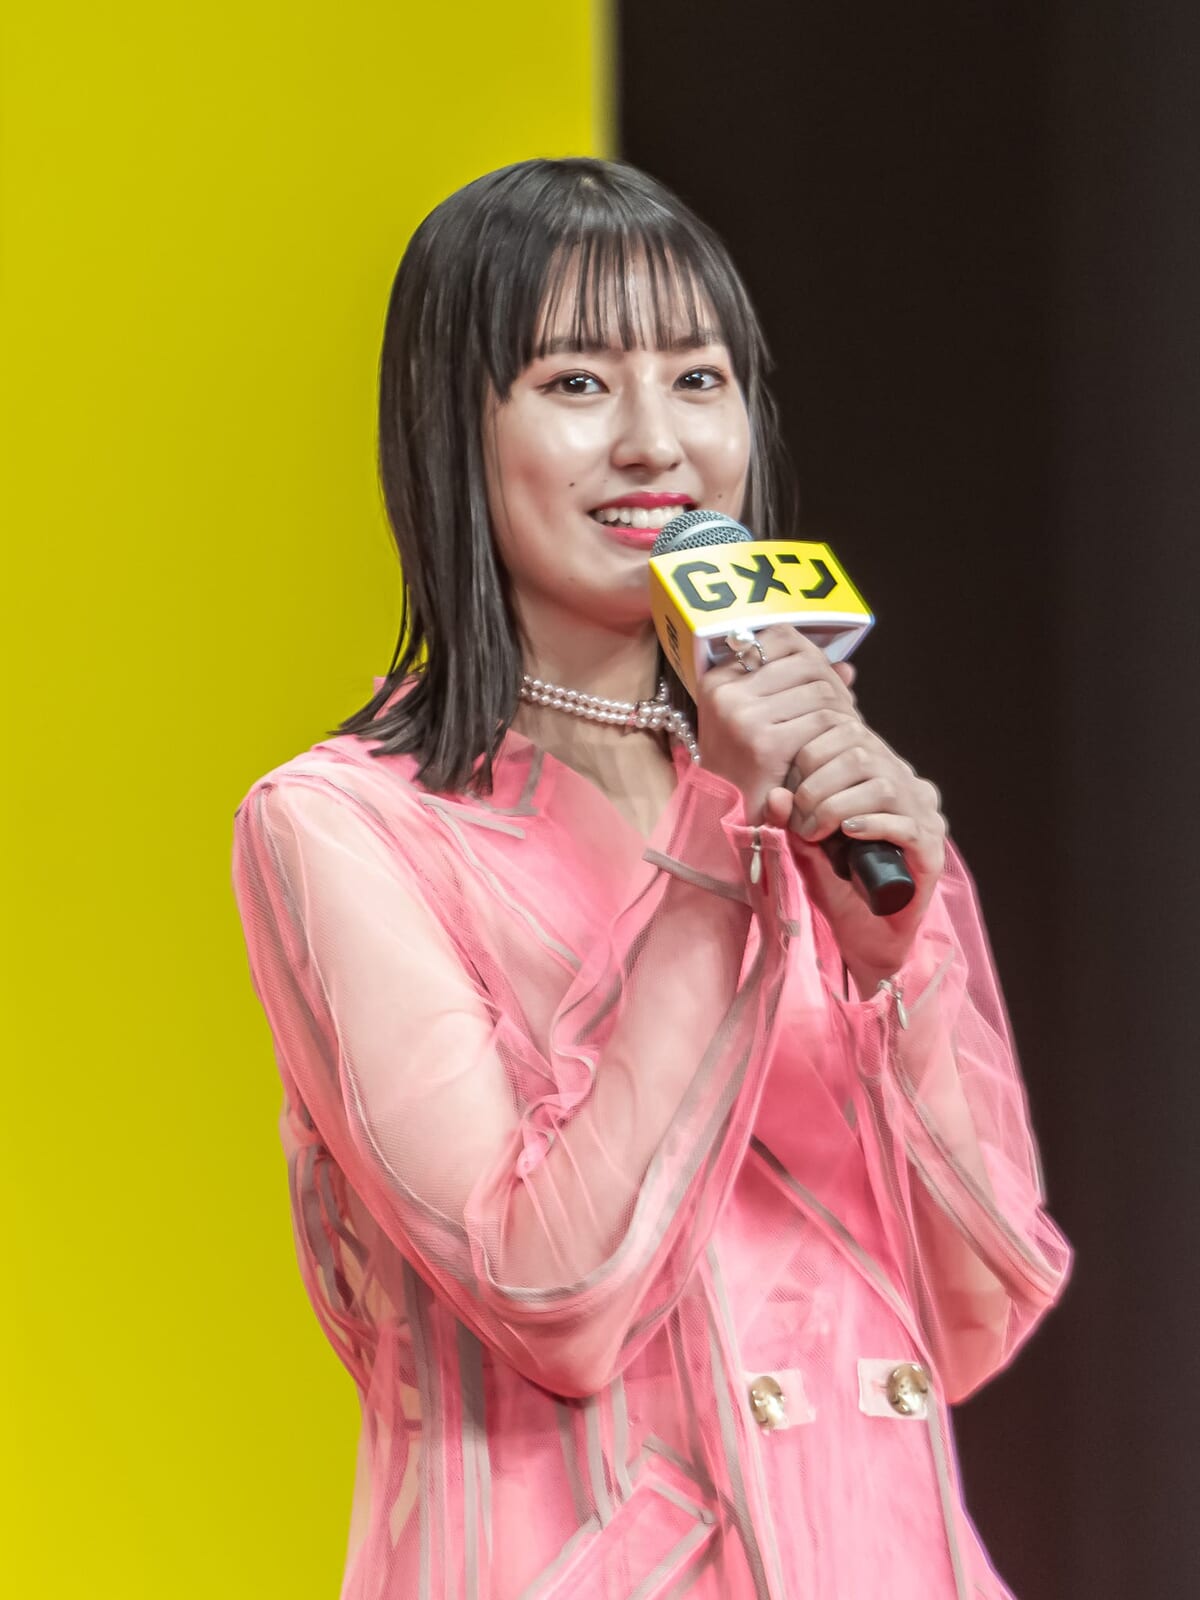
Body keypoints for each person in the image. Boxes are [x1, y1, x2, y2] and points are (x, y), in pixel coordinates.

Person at [231, 157, 1070, 1600]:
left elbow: (976, 1311)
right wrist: (716, 859)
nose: (654, 442)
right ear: (450, 428)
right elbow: (549, 1292)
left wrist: (898, 970)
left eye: (698, 379)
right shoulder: (342, 827)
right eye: (575, 382)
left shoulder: (822, 791)